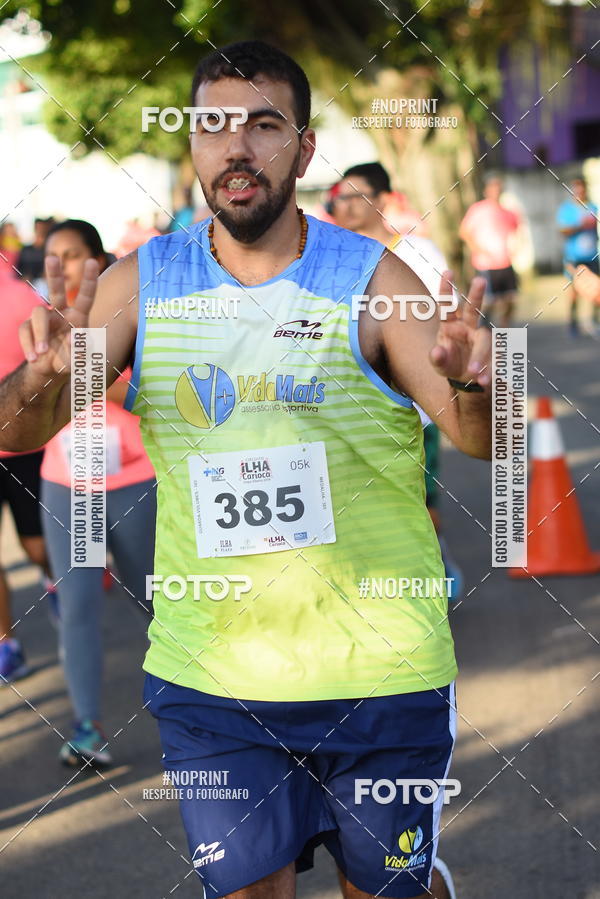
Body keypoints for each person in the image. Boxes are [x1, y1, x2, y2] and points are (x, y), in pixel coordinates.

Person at [0, 41, 492, 899]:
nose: (236, 147)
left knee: (385, 891)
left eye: (263, 125)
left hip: (383, 670)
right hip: (215, 678)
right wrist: (35, 382)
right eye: (213, 126)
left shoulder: (375, 280)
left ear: (303, 149)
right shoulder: (142, 284)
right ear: (191, 146)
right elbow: (22, 426)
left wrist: (482, 384)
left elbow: (485, 439)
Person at [38, 219, 157, 768]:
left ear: (99, 260)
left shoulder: (128, 313)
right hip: (72, 486)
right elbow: (31, 405)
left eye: (75, 255)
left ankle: (213, 710)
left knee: (157, 602)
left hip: (134, 479)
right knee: (79, 605)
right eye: (54, 256)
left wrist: (84, 362)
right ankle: (87, 729)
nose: (63, 267)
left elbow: (137, 392)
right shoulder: (40, 323)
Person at [331, 161, 464, 599]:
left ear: (384, 199)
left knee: (420, 501)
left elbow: (439, 326)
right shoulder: (333, 260)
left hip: (414, 410)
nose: (344, 205)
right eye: (340, 196)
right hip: (348, 412)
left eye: (356, 195)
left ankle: (434, 570)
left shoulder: (417, 255)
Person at [0, 257, 52, 684]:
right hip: (26, 447)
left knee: (35, 546)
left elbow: (51, 369)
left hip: (23, 449)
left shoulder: (21, 296)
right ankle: (6, 644)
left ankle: (56, 582)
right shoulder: (24, 294)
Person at [459, 174, 520, 327]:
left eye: (498, 188)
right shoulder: (478, 210)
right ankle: (481, 336)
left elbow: (516, 233)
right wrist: (479, 250)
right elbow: (464, 232)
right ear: (486, 191)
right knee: (488, 303)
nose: (496, 191)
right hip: (485, 264)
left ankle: (505, 340)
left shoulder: (509, 212)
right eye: (492, 188)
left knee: (511, 301)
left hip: (505, 262)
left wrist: (515, 249)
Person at [556, 176, 599, 337]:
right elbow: (563, 231)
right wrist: (581, 225)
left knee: (596, 290)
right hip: (574, 258)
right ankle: (573, 324)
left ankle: (594, 322)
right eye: (576, 188)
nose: (580, 191)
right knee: (574, 292)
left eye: (582, 187)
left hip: (592, 257)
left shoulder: (593, 207)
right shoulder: (566, 209)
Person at [16, 217, 55, 288]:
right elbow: (18, 268)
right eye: (38, 227)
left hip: (42, 284)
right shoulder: (26, 249)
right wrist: (23, 277)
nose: (40, 230)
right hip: (25, 283)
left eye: (43, 228)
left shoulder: (50, 250)